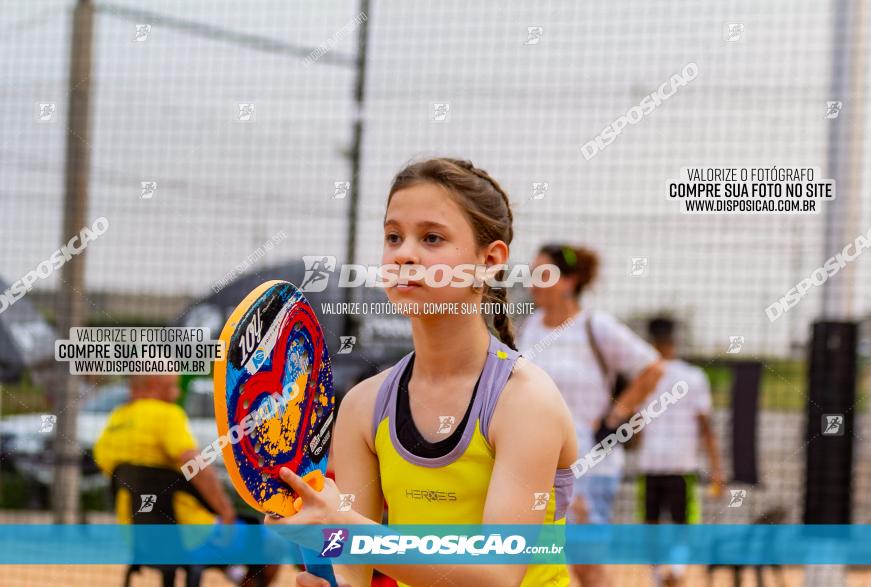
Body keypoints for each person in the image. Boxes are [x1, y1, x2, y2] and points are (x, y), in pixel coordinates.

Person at [266, 158, 579, 586]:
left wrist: (343, 526)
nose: (404, 254)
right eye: (393, 237)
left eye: (431, 238)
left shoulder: (525, 400)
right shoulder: (363, 405)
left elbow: (498, 575)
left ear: (489, 261)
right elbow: (354, 575)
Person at [517, 244, 665, 587]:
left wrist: (616, 416)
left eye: (544, 274)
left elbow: (652, 367)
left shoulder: (595, 325)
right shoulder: (530, 328)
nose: (533, 282)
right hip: (537, 461)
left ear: (569, 281)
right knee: (534, 562)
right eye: (532, 273)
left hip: (588, 461)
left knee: (586, 565)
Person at [93, 373, 278, 586]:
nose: (177, 393)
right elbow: (197, 466)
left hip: (138, 537)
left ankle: (231, 569)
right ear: (153, 385)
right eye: (172, 386)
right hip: (190, 535)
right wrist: (226, 512)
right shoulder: (167, 415)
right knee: (272, 541)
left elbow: (108, 466)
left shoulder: (116, 419)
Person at [636, 317, 724, 587]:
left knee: (650, 525)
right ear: (674, 341)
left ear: (651, 342)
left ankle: (656, 577)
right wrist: (717, 469)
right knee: (683, 525)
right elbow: (705, 428)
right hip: (681, 465)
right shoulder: (694, 376)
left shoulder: (643, 377)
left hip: (650, 464)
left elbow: (636, 429)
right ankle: (675, 570)